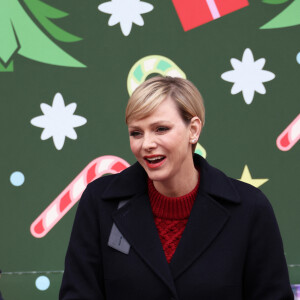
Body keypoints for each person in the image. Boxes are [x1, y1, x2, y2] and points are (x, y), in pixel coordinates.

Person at [59, 76, 293, 299]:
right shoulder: (100, 201)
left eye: (161, 129)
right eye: (136, 133)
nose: (147, 144)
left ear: (193, 130)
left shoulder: (250, 208)